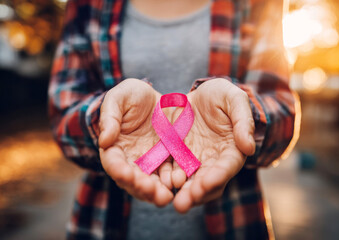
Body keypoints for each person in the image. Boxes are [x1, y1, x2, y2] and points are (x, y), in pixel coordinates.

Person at [48, 0, 297, 239]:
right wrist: (105, 116)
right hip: (101, 223)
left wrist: (243, 114)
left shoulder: (258, 3)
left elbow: (282, 112)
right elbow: (63, 115)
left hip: (237, 222)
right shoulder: (87, 4)